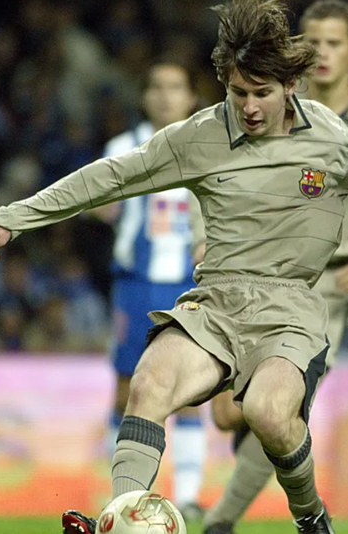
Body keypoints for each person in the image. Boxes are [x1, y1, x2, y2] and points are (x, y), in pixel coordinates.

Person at [0, 0, 348, 534]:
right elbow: (113, 177)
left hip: (291, 309)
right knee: (149, 381)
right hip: (216, 300)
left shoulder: (329, 138)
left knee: (268, 412)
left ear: (291, 85)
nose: (247, 106)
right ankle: (123, 519)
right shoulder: (201, 135)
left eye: (260, 92)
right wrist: (15, 215)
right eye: (237, 91)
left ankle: (311, 516)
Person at [203, 0, 348, 534]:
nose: (323, 53)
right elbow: (224, 174)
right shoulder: (273, 103)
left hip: (332, 283)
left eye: (335, 42)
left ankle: (219, 522)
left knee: (280, 412)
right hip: (257, 273)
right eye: (313, 42)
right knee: (230, 412)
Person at [92, 59, 207, 519]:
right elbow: (98, 204)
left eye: (175, 87)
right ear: (144, 96)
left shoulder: (207, 145)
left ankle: (191, 496)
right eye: (156, 86)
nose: (164, 95)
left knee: (193, 390)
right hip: (136, 284)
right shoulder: (122, 146)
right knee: (125, 386)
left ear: (191, 97)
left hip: (189, 284)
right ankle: (120, 497)